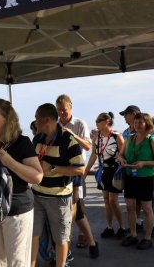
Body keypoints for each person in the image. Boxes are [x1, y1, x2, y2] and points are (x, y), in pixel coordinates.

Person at [0, 99, 43, 267]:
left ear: (7, 119)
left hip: (17, 210)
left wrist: (10, 162)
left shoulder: (22, 142)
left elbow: (37, 176)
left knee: (17, 262)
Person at [30, 103, 85, 267]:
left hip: (59, 198)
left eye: (36, 118)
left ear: (46, 119)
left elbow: (80, 169)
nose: (35, 121)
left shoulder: (68, 140)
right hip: (36, 195)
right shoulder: (37, 139)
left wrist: (53, 168)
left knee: (60, 238)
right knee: (33, 235)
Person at [55, 95, 98, 257]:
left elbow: (87, 146)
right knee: (70, 211)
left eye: (64, 110)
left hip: (76, 171)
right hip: (61, 170)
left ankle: (81, 241)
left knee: (76, 209)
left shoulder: (80, 124)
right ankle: (86, 242)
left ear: (70, 107)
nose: (62, 114)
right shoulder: (56, 124)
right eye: (59, 111)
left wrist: (72, 135)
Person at [118, 113, 154, 250]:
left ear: (147, 124)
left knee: (147, 209)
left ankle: (147, 238)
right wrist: (121, 159)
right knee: (130, 206)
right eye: (136, 122)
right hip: (130, 176)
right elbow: (120, 154)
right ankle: (133, 234)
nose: (137, 125)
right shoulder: (129, 139)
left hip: (145, 178)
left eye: (141, 123)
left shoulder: (152, 140)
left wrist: (144, 163)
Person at [85, 112, 126, 238]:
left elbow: (123, 154)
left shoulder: (116, 136)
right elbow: (93, 155)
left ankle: (121, 227)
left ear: (107, 121)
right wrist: (86, 171)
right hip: (104, 171)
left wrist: (121, 159)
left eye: (98, 120)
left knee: (113, 200)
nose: (96, 123)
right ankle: (109, 227)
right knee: (106, 201)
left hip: (115, 171)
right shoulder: (97, 138)